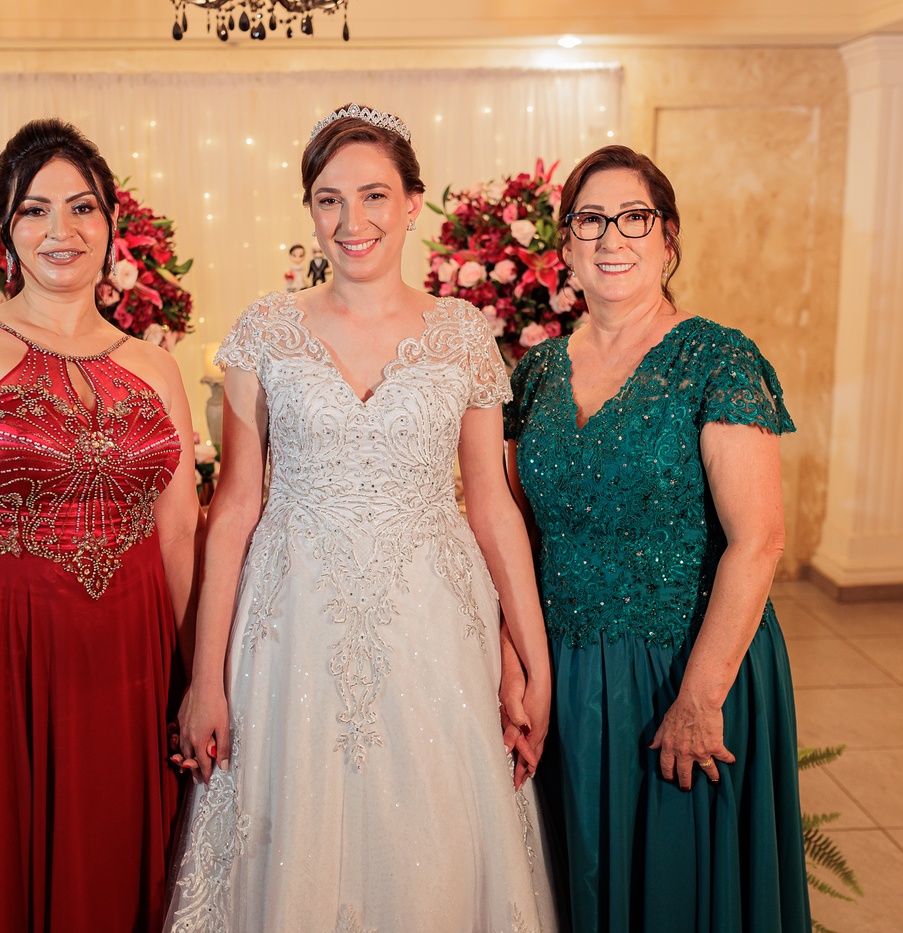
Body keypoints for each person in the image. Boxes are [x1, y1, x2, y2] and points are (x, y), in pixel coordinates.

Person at [164, 103, 558, 932]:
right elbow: (233, 508)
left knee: (435, 832)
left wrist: (533, 658)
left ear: (413, 203)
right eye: (329, 199)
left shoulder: (463, 334)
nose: (352, 221)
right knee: (290, 832)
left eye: (374, 195)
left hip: (434, 623)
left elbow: (492, 507)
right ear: (310, 209)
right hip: (291, 626)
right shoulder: (265, 329)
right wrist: (205, 678)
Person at [0, 118, 199, 933]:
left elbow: (178, 534)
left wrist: (195, 677)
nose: (63, 230)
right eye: (35, 210)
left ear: (112, 226)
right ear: (6, 231)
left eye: (83, 207)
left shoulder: (155, 365)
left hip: (131, 657)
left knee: (117, 857)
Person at [502, 144, 810, 932]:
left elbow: (760, 540)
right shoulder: (535, 373)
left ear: (668, 238)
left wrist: (700, 699)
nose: (612, 238)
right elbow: (514, 532)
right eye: (591, 219)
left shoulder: (717, 360)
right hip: (567, 672)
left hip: (684, 666)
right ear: (566, 244)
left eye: (634, 217)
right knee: (577, 879)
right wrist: (516, 662)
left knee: (678, 889)